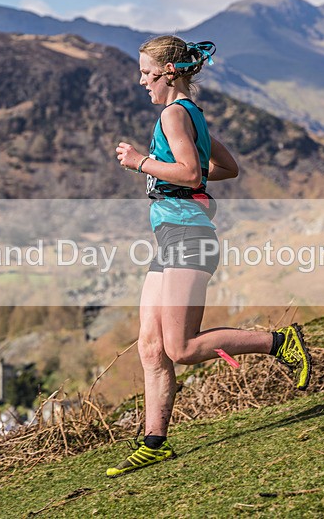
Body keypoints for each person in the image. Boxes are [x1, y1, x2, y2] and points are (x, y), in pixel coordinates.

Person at [108, 35, 311, 478]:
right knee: (150, 345)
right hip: (173, 236)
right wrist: (187, 177)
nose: (141, 81)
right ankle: (154, 443)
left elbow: (190, 172)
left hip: (188, 236)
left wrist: (141, 162)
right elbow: (226, 168)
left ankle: (279, 343)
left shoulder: (174, 114)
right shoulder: (190, 115)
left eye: (146, 72)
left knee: (180, 348)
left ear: (169, 72)